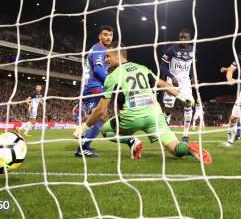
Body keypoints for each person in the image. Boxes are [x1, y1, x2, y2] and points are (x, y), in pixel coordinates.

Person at [75, 43, 212, 163]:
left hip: (131, 118)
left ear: (117, 55)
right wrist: (181, 96)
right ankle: (189, 148)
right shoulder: (142, 68)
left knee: (105, 130)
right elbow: (162, 84)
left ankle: (132, 141)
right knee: (176, 149)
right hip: (154, 116)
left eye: (108, 56)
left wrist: (84, 127)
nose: (106, 60)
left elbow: (100, 109)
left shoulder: (112, 76)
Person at [75, 25, 113, 157]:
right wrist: (111, 82)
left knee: (101, 116)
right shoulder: (99, 48)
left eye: (110, 35)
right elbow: (97, 71)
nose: (108, 37)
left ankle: (84, 144)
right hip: (93, 86)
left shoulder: (97, 48)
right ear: (100, 36)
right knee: (101, 115)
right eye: (105, 34)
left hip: (90, 86)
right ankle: (83, 148)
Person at [160, 29, 196, 143]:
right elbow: (162, 66)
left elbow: (191, 66)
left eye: (185, 38)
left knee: (188, 104)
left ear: (189, 39)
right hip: (172, 81)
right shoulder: (172, 49)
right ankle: (166, 123)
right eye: (181, 37)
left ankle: (185, 135)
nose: (182, 40)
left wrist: (193, 77)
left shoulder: (192, 50)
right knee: (168, 107)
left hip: (185, 83)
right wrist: (172, 76)